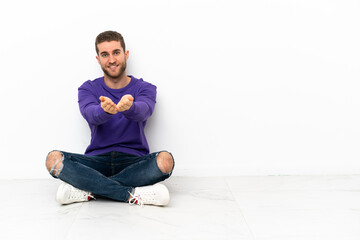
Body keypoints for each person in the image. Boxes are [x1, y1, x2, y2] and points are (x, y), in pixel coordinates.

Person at [45, 31, 174, 207]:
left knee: (165, 161)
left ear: (125, 54)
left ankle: (88, 187)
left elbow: (144, 110)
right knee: (53, 159)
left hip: (134, 161)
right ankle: (131, 194)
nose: (111, 59)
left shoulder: (145, 87)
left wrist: (130, 107)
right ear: (98, 59)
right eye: (105, 54)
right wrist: (105, 111)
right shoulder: (88, 88)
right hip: (96, 161)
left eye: (116, 52)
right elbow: (91, 114)